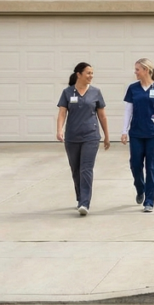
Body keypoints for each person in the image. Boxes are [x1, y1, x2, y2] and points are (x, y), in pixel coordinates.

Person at [121, 58, 154, 212]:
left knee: (151, 167)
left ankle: (149, 201)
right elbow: (128, 111)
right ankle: (140, 188)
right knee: (135, 165)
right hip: (137, 133)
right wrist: (124, 131)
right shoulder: (133, 89)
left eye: (137, 69)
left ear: (146, 70)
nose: (135, 72)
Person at [57, 62, 110, 216]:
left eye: (92, 73)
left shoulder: (96, 92)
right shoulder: (67, 92)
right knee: (76, 170)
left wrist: (106, 136)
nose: (91, 76)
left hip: (91, 136)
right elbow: (62, 113)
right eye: (88, 73)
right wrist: (59, 130)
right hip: (72, 137)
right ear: (78, 74)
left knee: (86, 169)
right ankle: (80, 197)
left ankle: (84, 203)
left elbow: (102, 115)